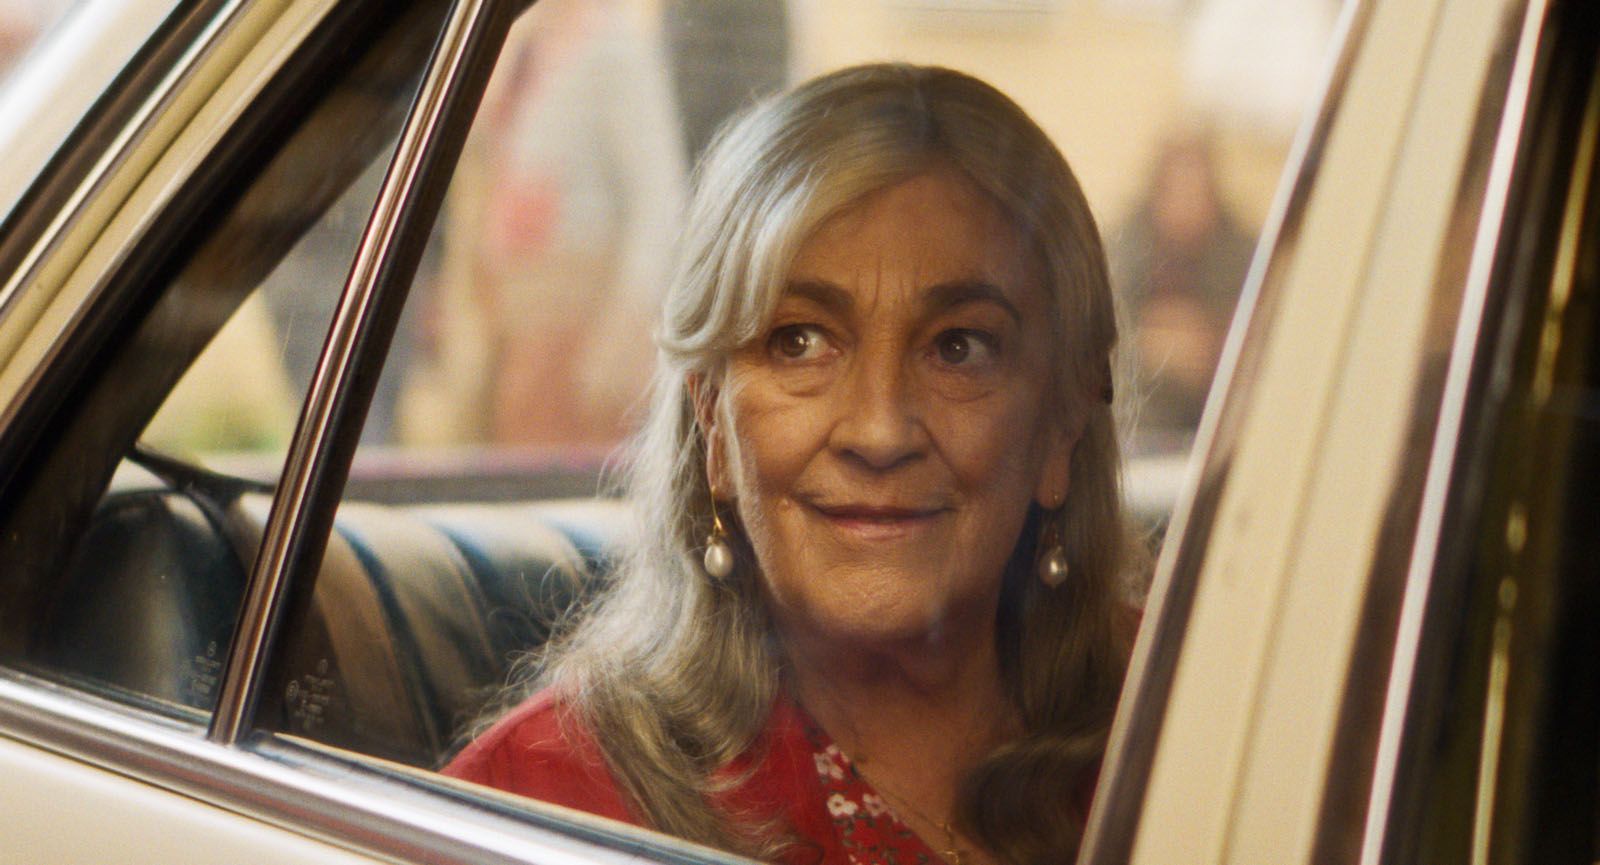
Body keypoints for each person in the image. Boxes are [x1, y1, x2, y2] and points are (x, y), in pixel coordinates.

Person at [445, 63, 1140, 865]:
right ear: (712, 416)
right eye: (799, 341)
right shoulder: (537, 805)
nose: (879, 430)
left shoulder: (1197, 715)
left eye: (958, 347)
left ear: (1062, 422)